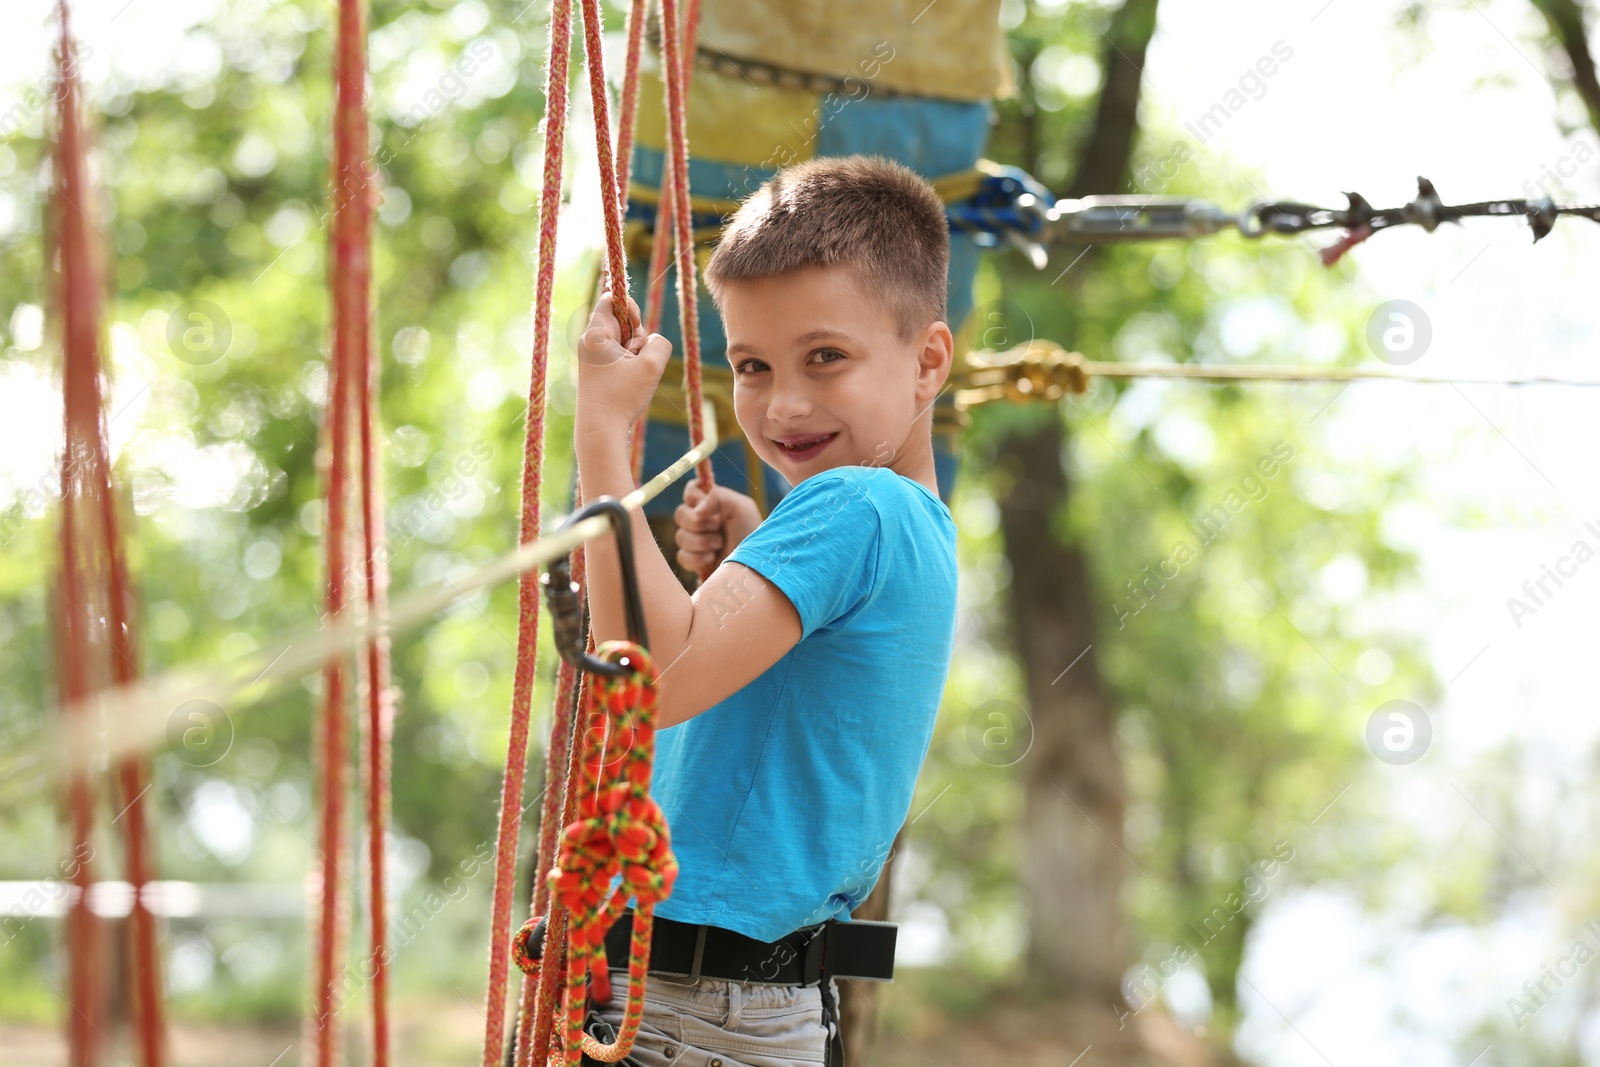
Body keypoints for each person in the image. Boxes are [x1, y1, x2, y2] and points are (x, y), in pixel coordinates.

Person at [572, 154, 958, 1067]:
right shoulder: (910, 525)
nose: (783, 403)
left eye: (826, 357)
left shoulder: (853, 506)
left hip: (687, 1017)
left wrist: (600, 433)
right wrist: (755, 545)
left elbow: (654, 680)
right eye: (751, 365)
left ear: (928, 361)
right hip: (744, 1008)